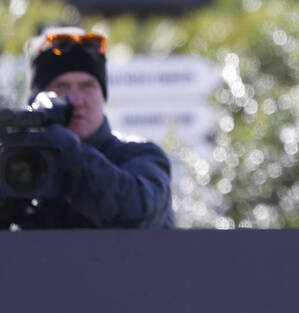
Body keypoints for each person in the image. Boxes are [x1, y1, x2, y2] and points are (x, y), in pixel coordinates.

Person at [7, 27, 174, 229]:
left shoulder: (139, 155)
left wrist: (66, 149)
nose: (76, 100)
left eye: (87, 86)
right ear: (37, 101)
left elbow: (135, 213)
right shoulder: (21, 163)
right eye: (61, 87)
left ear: (102, 95)